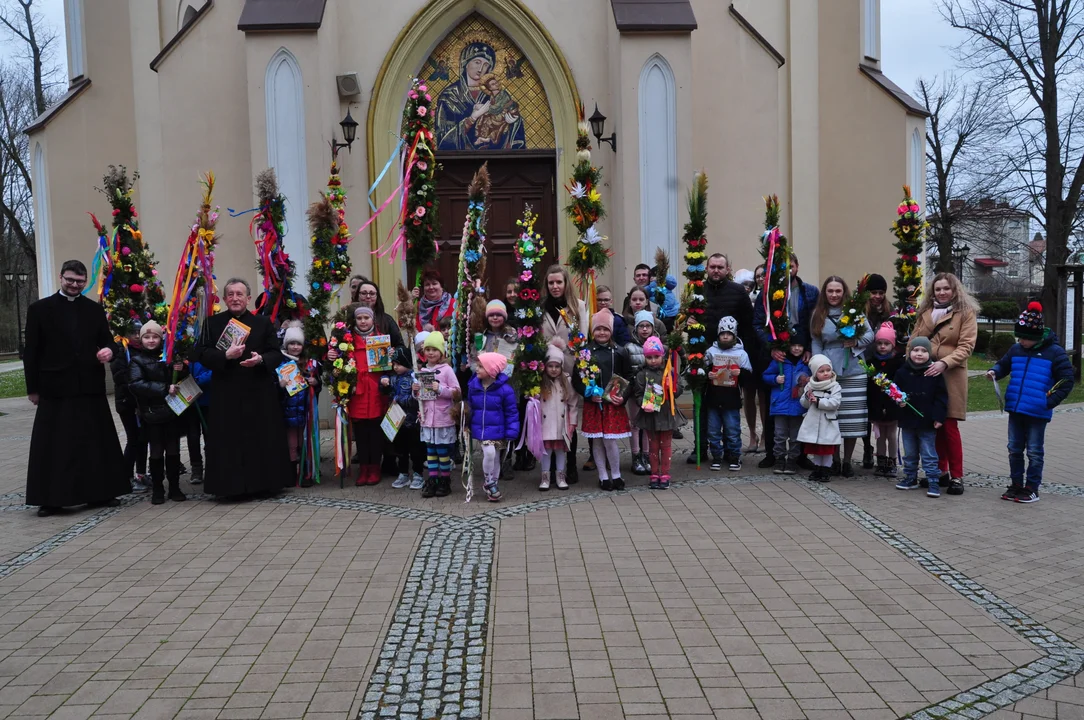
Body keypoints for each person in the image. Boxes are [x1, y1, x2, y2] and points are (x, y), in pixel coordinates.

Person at [25, 260, 129, 516]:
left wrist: (109, 350)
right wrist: (33, 388)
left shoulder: (93, 310)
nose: (74, 285)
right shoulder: (39, 309)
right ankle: (51, 499)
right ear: (61, 277)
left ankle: (100, 493)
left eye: (80, 282)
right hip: (55, 387)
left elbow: (109, 342)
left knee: (94, 443)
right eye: (70, 280)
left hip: (88, 387)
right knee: (54, 445)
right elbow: (31, 352)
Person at [189, 277, 292, 498]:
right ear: (225, 299)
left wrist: (261, 359)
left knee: (261, 439)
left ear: (248, 298)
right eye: (231, 294)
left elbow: (276, 353)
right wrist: (224, 355)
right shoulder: (212, 323)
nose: (235, 298)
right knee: (228, 441)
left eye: (240, 294)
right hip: (226, 392)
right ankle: (230, 488)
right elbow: (200, 354)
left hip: (258, 390)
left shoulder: (263, 323)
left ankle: (263, 485)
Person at [987, 302, 1075, 503]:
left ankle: (1031, 487)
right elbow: (1003, 365)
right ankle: (1016, 484)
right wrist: (995, 371)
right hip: (1016, 409)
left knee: (1034, 451)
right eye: (1019, 336)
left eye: (1025, 337)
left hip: (1037, 412)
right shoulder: (1016, 349)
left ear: (1035, 336)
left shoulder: (1055, 352)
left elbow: (1067, 380)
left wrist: (1049, 402)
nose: (1021, 340)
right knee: (1014, 449)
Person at [911, 272, 978, 495]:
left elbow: (966, 346)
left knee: (949, 426)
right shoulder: (925, 313)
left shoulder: (965, 313)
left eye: (946, 288)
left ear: (954, 290)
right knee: (933, 425)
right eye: (938, 289)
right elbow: (913, 341)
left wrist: (944, 363)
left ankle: (956, 475)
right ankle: (940, 472)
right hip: (926, 374)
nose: (941, 292)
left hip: (950, 374)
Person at [689, 253, 754, 465]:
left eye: (720, 267)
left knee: (729, 407)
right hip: (703, 354)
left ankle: (730, 449)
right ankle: (701, 447)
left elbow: (747, 323)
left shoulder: (737, 292)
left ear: (728, 269)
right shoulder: (697, 291)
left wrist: (740, 354)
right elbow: (687, 318)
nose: (716, 270)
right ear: (707, 268)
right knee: (703, 404)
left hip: (731, 356)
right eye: (712, 266)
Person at [810, 276, 874, 476]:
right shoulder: (818, 314)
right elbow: (816, 342)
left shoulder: (855, 313)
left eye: (838, 291)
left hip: (854, 371)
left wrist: (855, 341)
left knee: (851, 418)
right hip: (830, 371)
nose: (834, 295)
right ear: (825, 293)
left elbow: (870, 335)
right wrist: (818, 367)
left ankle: (847, 460)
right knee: (833, 418)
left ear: (843, 292)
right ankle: (834, 459)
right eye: (830, 291)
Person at [328, 306, 389, 486]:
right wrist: (331, 355)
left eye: (366, 318)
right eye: (359, 318)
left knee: (375, 432)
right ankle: (363, 468)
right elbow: (335, 362)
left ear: (372, 320)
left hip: (376, 391)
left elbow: (387, 367)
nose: (363, 321)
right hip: (357, 393)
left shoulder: (379, 339)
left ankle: (375, 468)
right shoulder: (345, 341)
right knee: (361, 433)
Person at [128, 321, 188, 505]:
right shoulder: (137, 360)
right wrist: (164, 388)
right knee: (156, 450)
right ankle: (158, 488)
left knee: (173, 448)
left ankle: (175, 486)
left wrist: (181, 369)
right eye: (147, 337)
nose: (151, 340)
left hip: (172, 411)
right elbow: (136, 384)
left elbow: (181, 379)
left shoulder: (168, 357)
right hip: (151, 413)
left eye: (155, 337)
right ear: (141, 339)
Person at [572, 311, 632, 491]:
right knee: (597, 441)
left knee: (610, 441)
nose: (602, 333)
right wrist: (588, 394)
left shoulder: (620, 352)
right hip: (594, 404)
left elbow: (628, 376)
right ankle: (602, 476)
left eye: (605, 329)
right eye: (598, 329)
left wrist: (623, 397)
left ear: (611, 331)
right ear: (593, 331)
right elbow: (577, 379)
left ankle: (616, 474)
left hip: (613, 404)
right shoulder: (585, 353)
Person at [542, 265, 589, 482]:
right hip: (546, 370)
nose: (555, 286)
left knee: (568, 417)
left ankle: (570, 465)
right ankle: (549, 467)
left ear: (566, 283)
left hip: (569, 369)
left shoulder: (577, 307)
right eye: (551, 282)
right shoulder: (540, 308)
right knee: (548, 418)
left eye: (559, 282)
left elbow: (584, 340)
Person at [893, 337, 949, 497]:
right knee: (909, 452)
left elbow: (941, 397)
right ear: (910, 353)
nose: (919, 354)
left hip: (927, 420)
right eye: (916, 350)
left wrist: (939, 417)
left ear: (929, 354)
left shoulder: (934, 373)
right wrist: (899, 401)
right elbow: (895, 392)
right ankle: (910, 477)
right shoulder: (902, 372)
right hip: (908, 420)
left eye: (924, 351)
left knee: (929, 453)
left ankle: (933, 480)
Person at [467, 352, 521, 502]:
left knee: (496, 457)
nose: (476, 369)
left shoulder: (505, 390)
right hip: (482, 429)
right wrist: (466, 422)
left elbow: (511, 413)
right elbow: (469, 407)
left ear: (491, 370)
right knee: (489, 453)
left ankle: (493, 484)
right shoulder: (473, 386)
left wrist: (512, 430)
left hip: (498, 429)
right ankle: (489, 482)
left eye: (480, 367)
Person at [632, 336, 684, 490]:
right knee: (653, 446)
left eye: (656, 356)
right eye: (649, 357)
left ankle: (665, 473)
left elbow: (679, 389)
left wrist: (672, 386)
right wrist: (643, 403)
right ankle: (654, 473)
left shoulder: (670, 371)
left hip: (666, 413)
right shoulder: (642, 374)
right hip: (650, 415)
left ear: (662, 356)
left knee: (666, 445)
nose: (653, 360)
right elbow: (638, 394)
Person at [415, 332, 460, 498]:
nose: (431, 353)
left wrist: (440, 389)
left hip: (442, 418)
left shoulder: (447, 370)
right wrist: (416, 392)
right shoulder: (423, 370)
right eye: (428, 349)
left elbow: (456, 392)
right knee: (431, 452)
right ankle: (433, 480)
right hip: (428, 419)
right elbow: (422, 397)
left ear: (442, 352)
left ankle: (445, 480)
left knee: (442, 452)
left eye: (434, 349)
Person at [705, 316, 752, 471]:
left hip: (731, 399)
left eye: (729, 334)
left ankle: (734, 456)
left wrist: (741, 373)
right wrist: (708, 375)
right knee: (713, 430)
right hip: (713, 398)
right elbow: (701, 372)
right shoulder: (711, 352)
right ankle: (716, 456)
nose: (725, 336)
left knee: (732, 429)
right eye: (722, 333)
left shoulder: (741, 354)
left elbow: (749, 378)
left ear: (734, 335)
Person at [278, 324, 321, 486]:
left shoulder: (309, 363)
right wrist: (280, 385)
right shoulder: (281, 362)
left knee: (304, 442)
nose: (295, 347)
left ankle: (305, 473)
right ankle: (290, 474)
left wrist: (315, 382)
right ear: (286, 345)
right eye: (291, 343)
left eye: (298, 344)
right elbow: (274, 388)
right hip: (287, 411)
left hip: (305, 410)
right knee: (291, 444)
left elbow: (319, 385)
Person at [859, 273, 893, 469]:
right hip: (866, 363)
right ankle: (867, 448)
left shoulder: (889, 312)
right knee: (866, 410)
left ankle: (885, 453)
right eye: (874, 292)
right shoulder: (860, 312)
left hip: (884, 365)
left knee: (882, 410)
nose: (877, 296)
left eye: (881, 293)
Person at [762, 340, 810, 475]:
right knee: (780, 435)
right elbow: (766, 375)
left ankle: (792, 460)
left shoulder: (806, 363)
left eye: (800, 345)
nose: (796, 348)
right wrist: (775, 379)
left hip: (798, 406)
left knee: (795, 436)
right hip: (780, 405)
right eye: (794, 345)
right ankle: (779, 459)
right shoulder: (780, 361)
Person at [111, 326, 148, 493]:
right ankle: (126, 476)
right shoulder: (121, 351)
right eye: (133, 333)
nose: (137, 336)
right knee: (134, 439)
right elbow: (121, 377)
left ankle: (141, 473)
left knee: (143, 439)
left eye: (139, 333)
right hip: (128, 403)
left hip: (142, 402)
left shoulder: (143, 350)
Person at [864, 322, 903, 477]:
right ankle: (881, 460)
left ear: (892, 345)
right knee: (879, 434)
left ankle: (892, 460)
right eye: (879, 343)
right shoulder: (871, 362)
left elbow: (899, 381)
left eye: (886, 344)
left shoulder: (898, 362)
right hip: (876, 402)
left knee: (891, 434)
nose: (882, 347)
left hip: (891, 402)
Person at [384, 347, 426, 490]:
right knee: (400, 450)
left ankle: (418, 474)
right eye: (394, 364)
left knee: (415, 450)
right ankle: (403, 473)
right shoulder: (394, 378)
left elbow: (416, 400)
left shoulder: (414, 378)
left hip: (412, 421)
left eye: (399, 364)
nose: (395, 367)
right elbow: (387, 392)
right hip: (397, 421)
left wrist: (399, 399)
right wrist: (383, 383)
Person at [797, 355, 843, 483]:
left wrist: (819, 401)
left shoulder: (835, 386)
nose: (826, 373)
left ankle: (826, 469)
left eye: (828, 370)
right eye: (821, 371)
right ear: (815, 372)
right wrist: (807, 397)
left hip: (827, 422)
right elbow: (803, 404)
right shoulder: (810, 385)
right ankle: (817, 468)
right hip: (813, 422)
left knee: (827, 448)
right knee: (816, 447)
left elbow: (835, 403)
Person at [539, 342, 576, 491]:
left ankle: (561, 476)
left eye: (557, 366)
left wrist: (572, 422)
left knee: (561, 451)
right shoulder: (540, 382)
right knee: (546, 451)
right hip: (545, 423)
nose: (554, 370)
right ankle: (545, 477)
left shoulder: (567, 381)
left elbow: (573, 403)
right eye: (550, 366)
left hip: (562, 423)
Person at [625, 310, 655, 475]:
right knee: (635, 424)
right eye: (641, 326)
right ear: (635, 328)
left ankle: (647, 455)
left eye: (647, 326)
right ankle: (636, 456)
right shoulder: (629, 348)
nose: (644, 329)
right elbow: (627, 370)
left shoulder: (656, 343)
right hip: (635, 392)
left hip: (651, 390)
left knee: (649, 424)